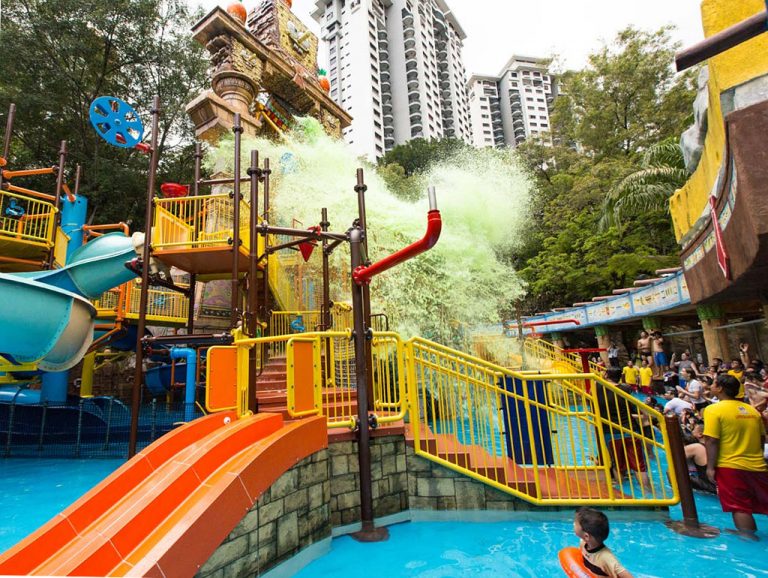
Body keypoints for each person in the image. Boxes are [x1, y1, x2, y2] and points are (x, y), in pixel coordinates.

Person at [703, 374, 768, 537]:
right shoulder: (752, 410)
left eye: (713, 384)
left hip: (730, 466)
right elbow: (762, 438)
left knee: (739, 507)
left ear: (720, 388)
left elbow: (711, 440)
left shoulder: (713, 409)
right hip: (758, 465)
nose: (711, 386)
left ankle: (748, 538)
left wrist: (710, 467)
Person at [596, 369, 649, 488]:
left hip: (610, 431)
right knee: (639, 466)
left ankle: (621, 492)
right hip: (629, 429)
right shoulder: (625, 389)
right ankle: (648, 493)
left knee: (617, 464)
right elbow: (642, 409)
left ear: (606, 375)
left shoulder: (597, 386)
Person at [573, 508, 634, 578]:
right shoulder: (583, 543)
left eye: (576, 523)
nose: (573, 524)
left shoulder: (606, 558)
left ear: (586, 536)